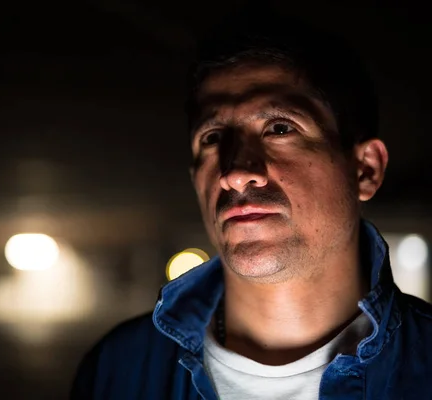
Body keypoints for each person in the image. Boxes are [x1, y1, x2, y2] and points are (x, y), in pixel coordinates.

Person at [71, 11, 432, 400]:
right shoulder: (119, 367)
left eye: (280, 128)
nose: (236, 173)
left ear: (365, 169)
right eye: (212, 138)